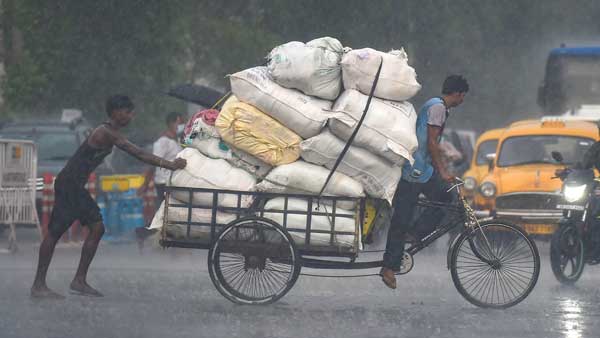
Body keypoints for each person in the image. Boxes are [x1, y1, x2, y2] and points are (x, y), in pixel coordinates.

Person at [30, 95, 187, 299]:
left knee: (86, 229)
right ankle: (43, 284)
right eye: (128, 112)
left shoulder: (109, 132)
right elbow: (138, 153)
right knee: (61, 232)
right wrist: (171, 165)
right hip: (70, 185)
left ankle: (75, 280)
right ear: (115, 112)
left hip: (72, 185)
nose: (131, 116)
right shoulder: (105, 132)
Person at [380, 75, 469, 289]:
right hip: (416, 171)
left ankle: (413, 235)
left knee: (441, 199)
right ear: (457, 93)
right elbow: (431, 142)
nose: (462, 100)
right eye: (463, 96)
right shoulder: (438, 108)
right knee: (404, 218)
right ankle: (391, 265)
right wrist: (444, 171)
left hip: (422, 170)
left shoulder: (436, 106)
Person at [138, 112, 186, 207]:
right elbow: (153, 162)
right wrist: (145, 184)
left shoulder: (178, 142)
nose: (182, 126)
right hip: (163, 183)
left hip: (173, 183)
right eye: (180, 123)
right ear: (172, 124)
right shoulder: (162, 142)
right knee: (164, 211)